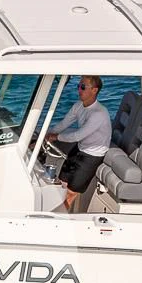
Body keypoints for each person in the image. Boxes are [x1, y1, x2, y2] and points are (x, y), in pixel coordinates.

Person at [48, 75, 110, 211]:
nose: (79, 90)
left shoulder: (98, 113)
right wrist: (47, 135)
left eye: (83, 87)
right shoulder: (78, 106)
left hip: (93, 155)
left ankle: (57, 218)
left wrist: (55, 137)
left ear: (94, 90)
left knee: (71, 192)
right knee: (62, 183)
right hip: (80, 148)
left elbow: (77, 135)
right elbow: (64, 124)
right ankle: (55, 211)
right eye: (78, 86)